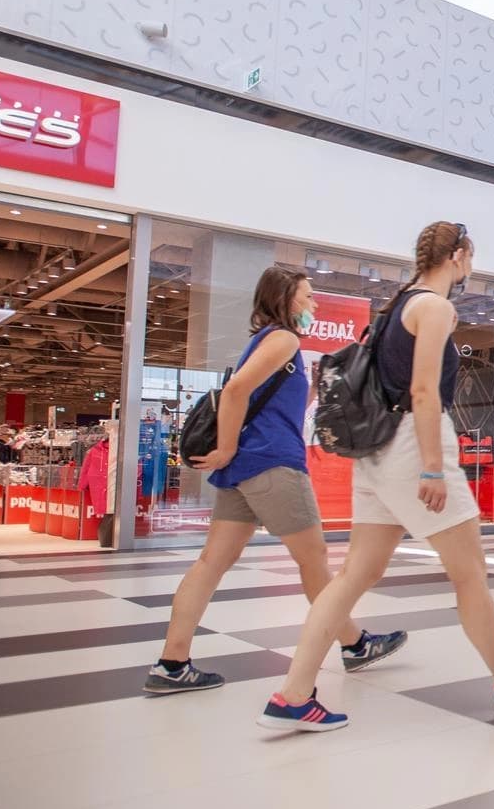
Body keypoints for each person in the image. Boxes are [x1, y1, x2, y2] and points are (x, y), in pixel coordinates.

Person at [259, 221, 494, 732]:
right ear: (458, 256)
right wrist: (432, 467)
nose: (471, 266)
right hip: (413, 445)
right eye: (471, 257)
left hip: (375, 453)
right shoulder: (434, 308)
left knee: (355, 575)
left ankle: (293, 694)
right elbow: (424, 392)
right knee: (469, 572)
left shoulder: (397, 305)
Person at [146, 266, 405, 695]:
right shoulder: (283, 339)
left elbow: (268, 405)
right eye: (308, 296)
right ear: (285, 300)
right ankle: (355, 644)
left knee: (211, 563)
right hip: (272, 465)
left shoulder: (267, 342)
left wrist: (311, 390)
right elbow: (235, 392)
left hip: (244, 470)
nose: (313, 304)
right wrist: (225, 448)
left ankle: (172, 663)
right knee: (314, 559)